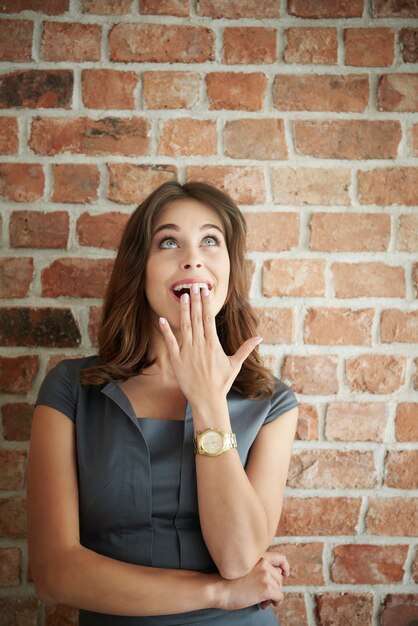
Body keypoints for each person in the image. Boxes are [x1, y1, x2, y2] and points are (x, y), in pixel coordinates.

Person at [27, 181, 299, 625]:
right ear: (141, 269)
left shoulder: (272, 403)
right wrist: (218, 592)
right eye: (168, 241)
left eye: (211, 241)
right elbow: (55, 575)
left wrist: (209, 400)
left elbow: (237, 556)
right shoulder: (69, 390)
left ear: (229, 270)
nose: (193, 257)